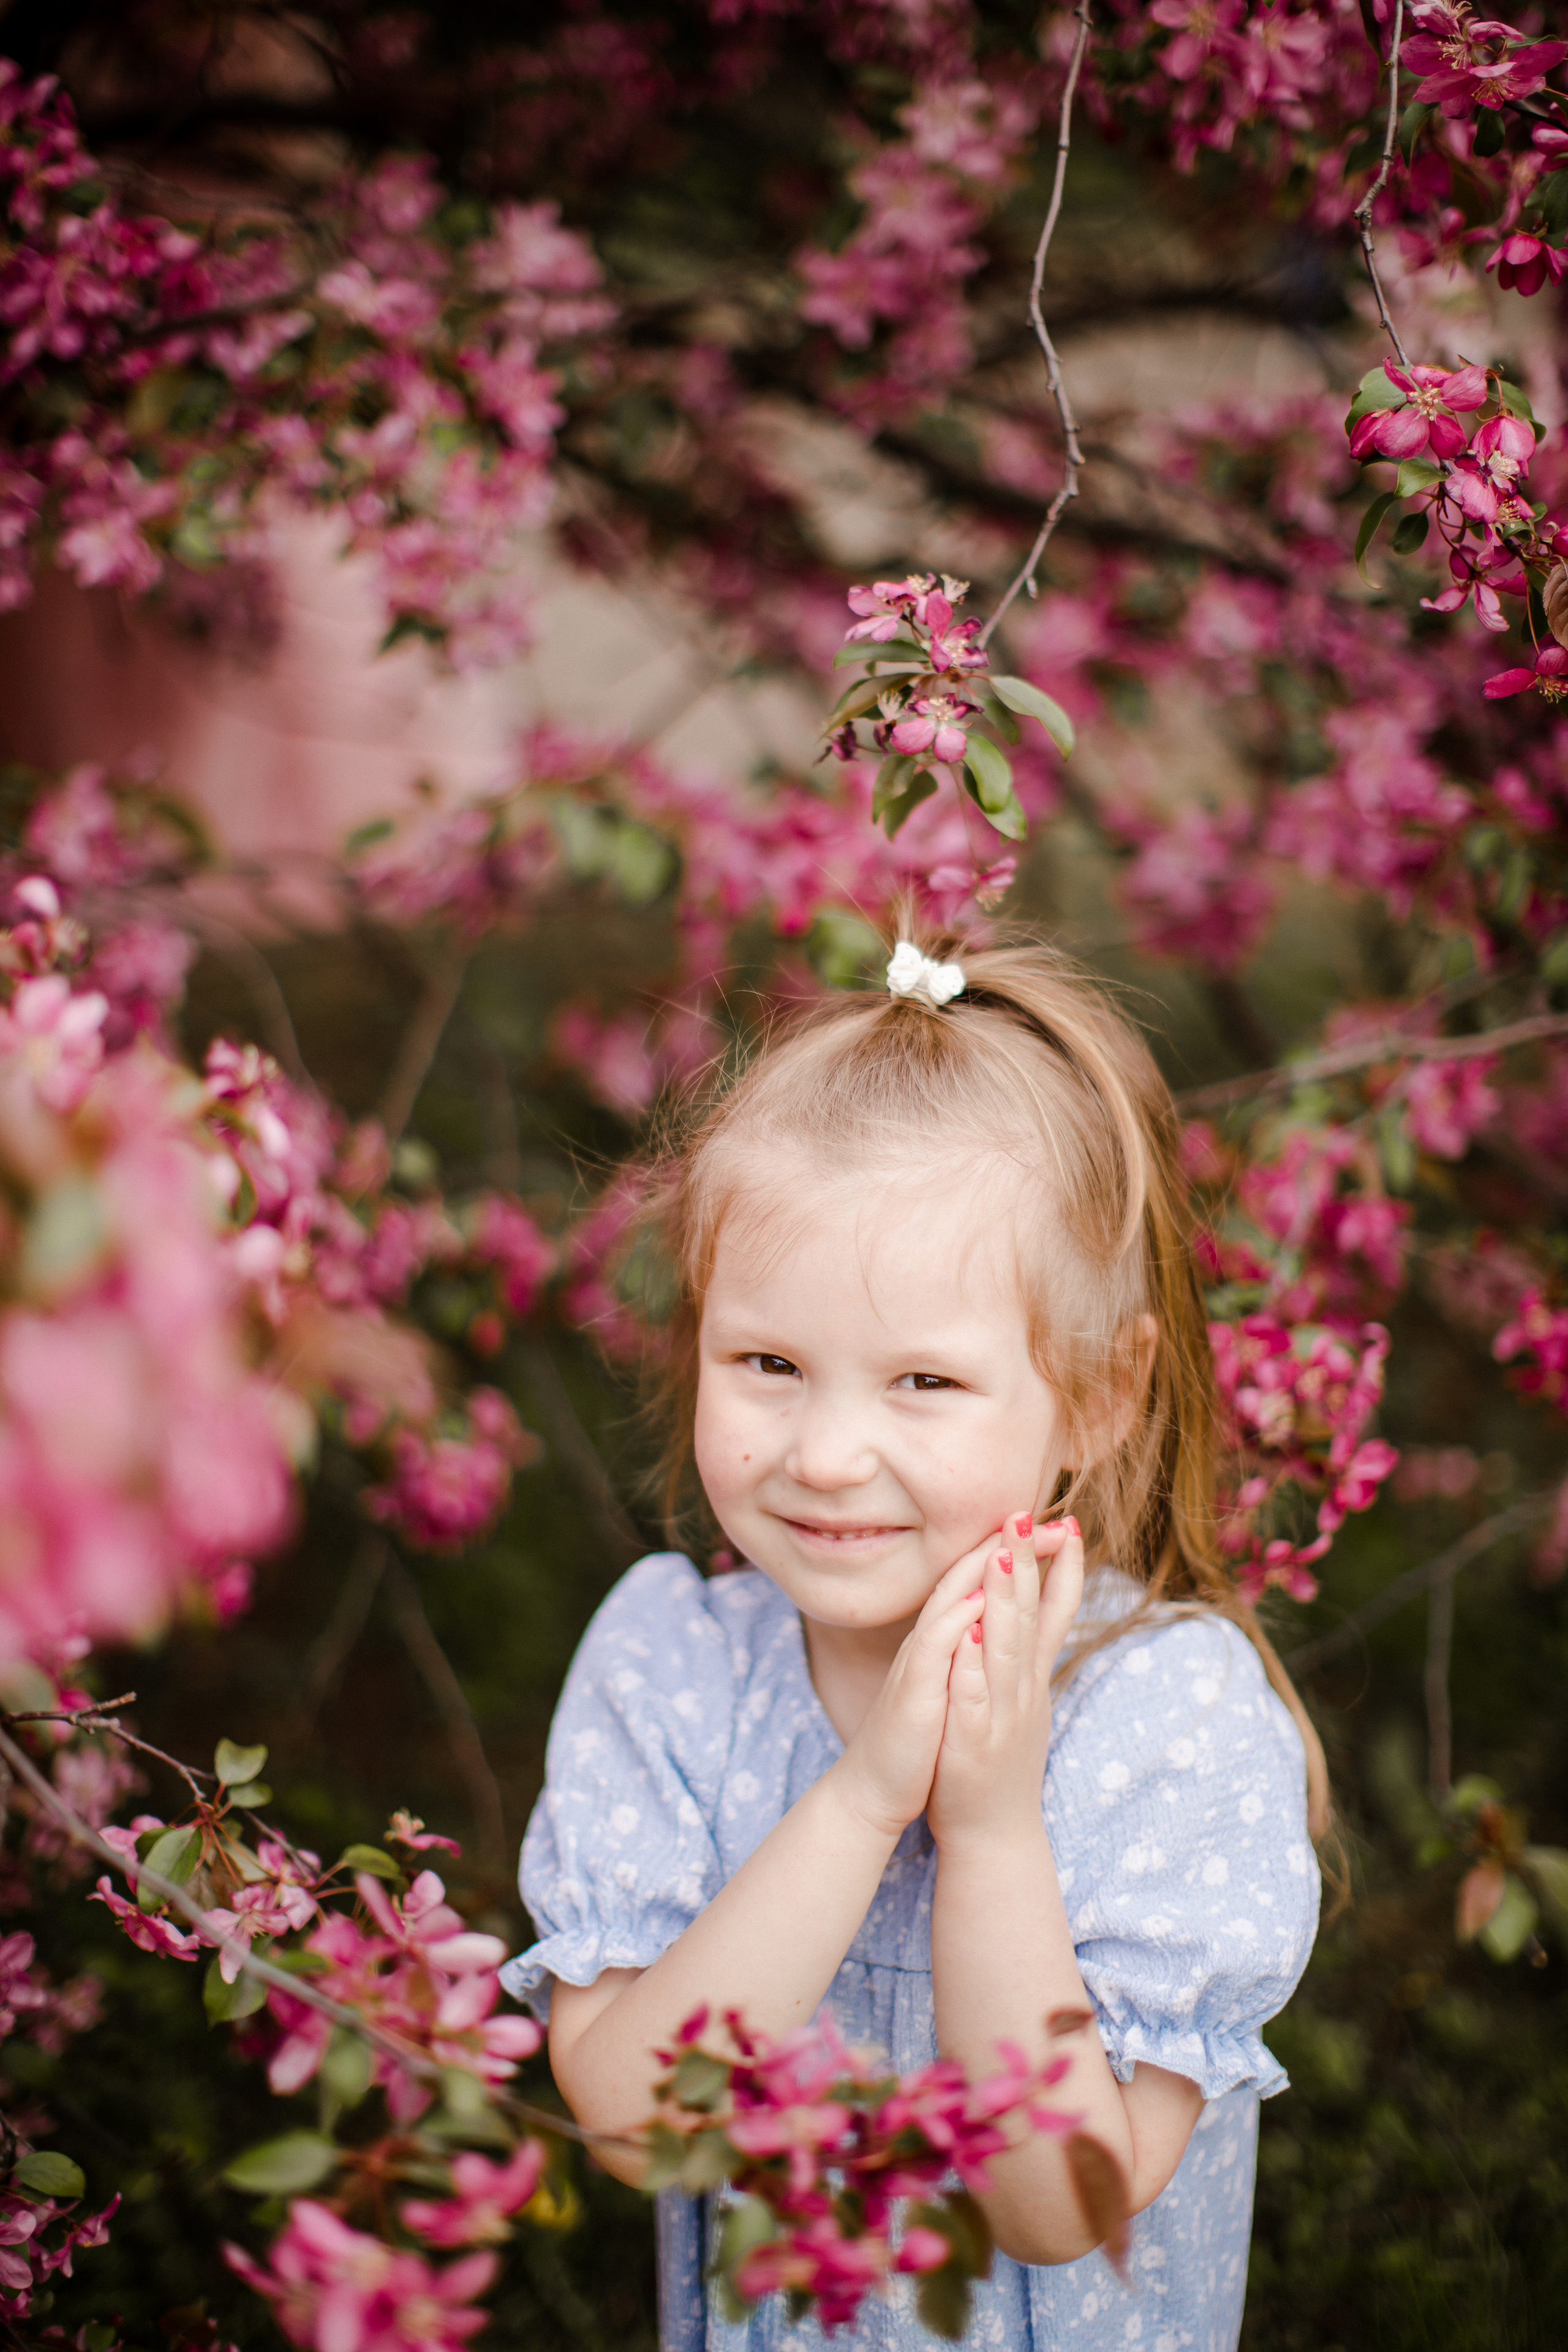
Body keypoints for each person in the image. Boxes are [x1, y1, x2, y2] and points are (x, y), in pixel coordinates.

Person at [500, 930, 1325, 2351]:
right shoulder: (674, 1669)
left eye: (923, 1381)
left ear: (1098, 1395)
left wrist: (991, 1830)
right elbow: (639, 2126)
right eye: (767, 1363)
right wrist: (865, 1795)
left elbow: (1056, 2203)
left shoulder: (1164, 1715)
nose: (823, 1455)